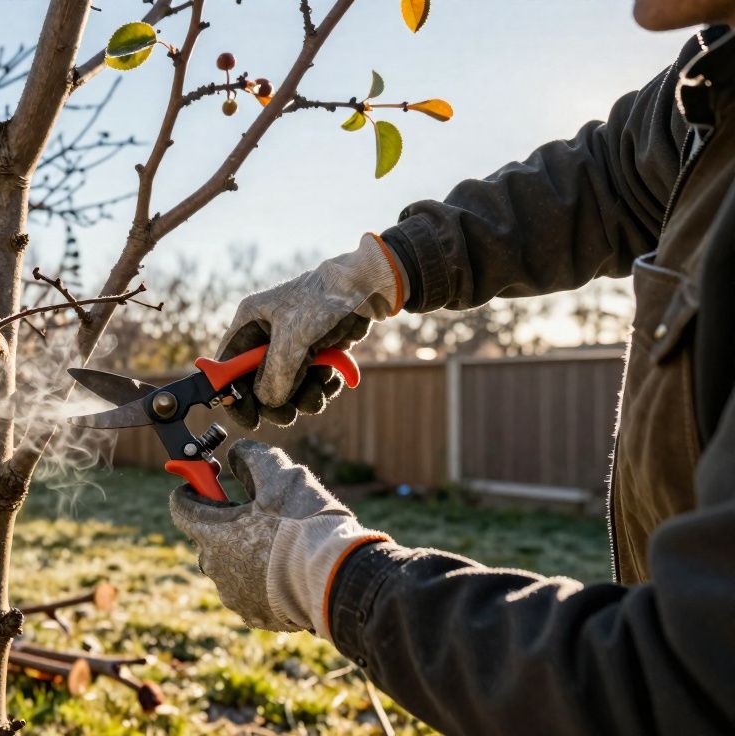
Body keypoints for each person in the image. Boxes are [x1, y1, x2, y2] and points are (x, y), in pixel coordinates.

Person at [169, 1, 735, 733]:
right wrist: (374, 273)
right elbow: (610, 178)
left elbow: (679, 688)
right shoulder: (714, 83)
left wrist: (331, 578)